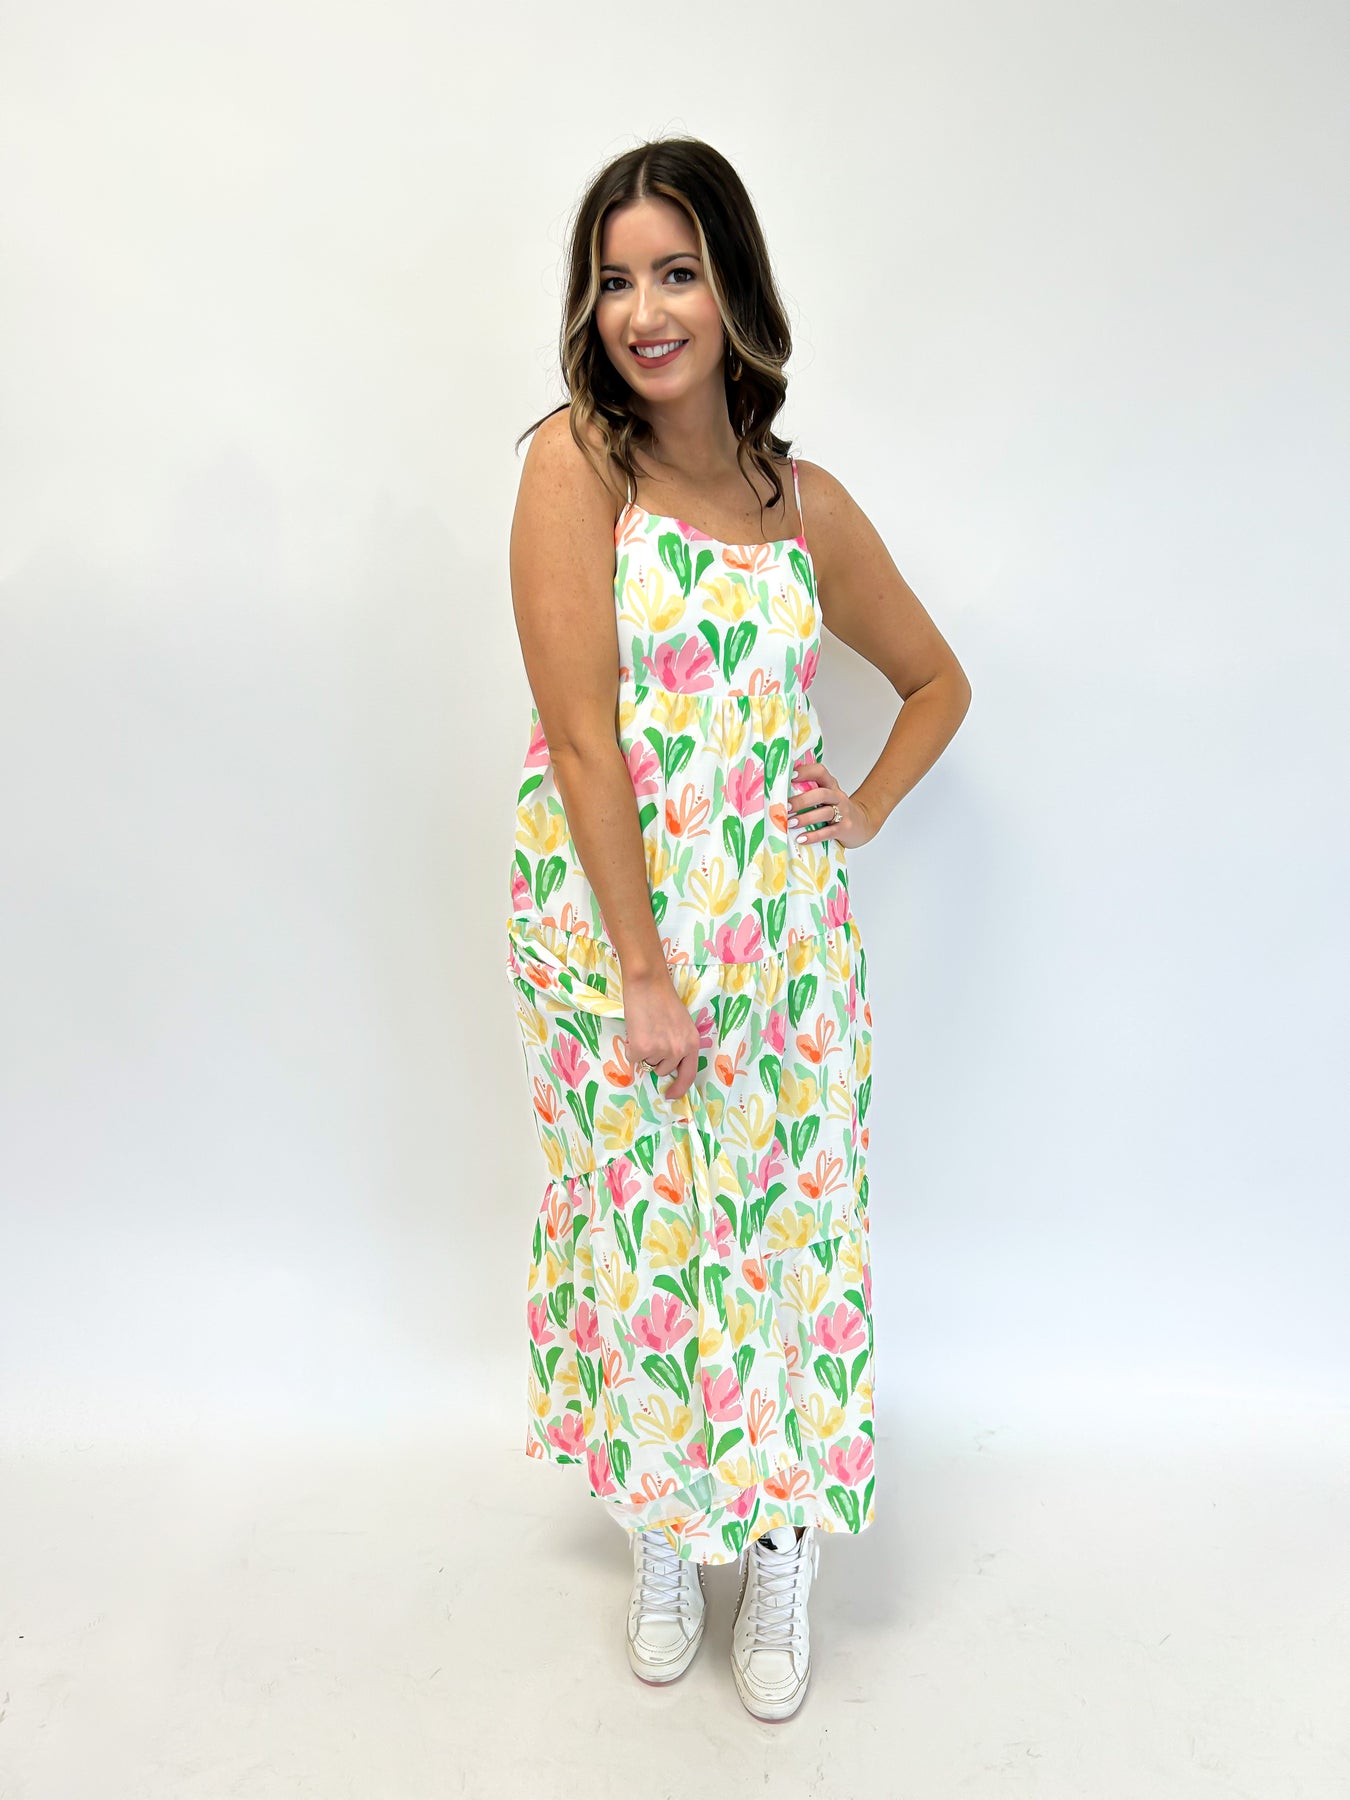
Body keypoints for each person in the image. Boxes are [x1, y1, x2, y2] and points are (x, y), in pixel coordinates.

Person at [504, 135, 971, 1720]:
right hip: (613, 940)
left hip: (780, 948)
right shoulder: (576, 466)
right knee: (644, 1234)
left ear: (734, 292)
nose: (643, 310)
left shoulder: (802, 503)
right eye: (614, 278)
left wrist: (867, 804)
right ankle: (660, 1531)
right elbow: (582, 740)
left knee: (781, 1237)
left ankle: (778, 1541)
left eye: (676, 271)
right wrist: (640, 974)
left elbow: (935, 681)